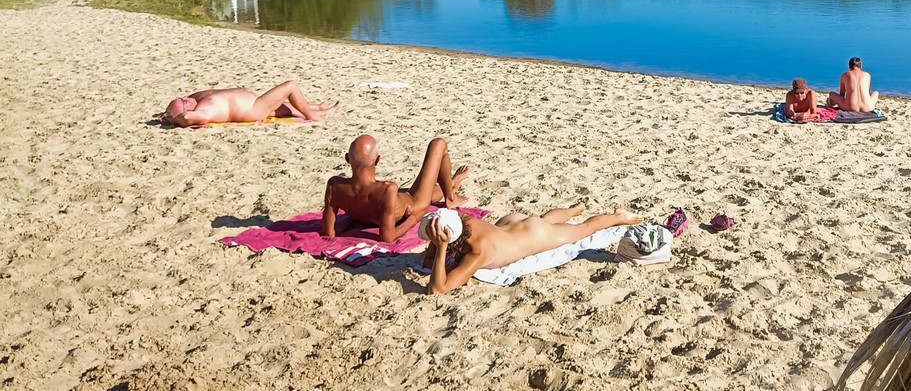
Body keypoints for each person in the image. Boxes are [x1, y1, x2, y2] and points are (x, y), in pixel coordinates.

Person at [421, 203, 644, 295]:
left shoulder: (478, 252)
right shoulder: (461, 219)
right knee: (547, 219)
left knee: (584, 229)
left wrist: (440, 247)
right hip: (513, 225)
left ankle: (618, 216)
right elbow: (427, 263)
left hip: (535, 235)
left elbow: (438, 289)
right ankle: (574, 208)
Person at [321, 135, 469, 243]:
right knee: (438, 144)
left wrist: (353, 218)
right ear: (378, 160)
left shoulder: (335, 186)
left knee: (424, 190)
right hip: (413, 206)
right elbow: (387, 237)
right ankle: (450, 197)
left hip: (379, 212)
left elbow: (328, 232)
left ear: (347, 159)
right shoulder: (387, 190)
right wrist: (412, 219)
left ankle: (452, 183)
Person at [160, 82, 337, 127]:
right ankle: (312, 115)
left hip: (254, 103)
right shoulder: (205, 109)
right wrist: (174, 119)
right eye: (183, 102)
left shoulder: (198, 98)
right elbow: (188, 117)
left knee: (284, 107)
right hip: (253, 109)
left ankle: (319, 108)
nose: (185, 98)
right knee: (290, 86)